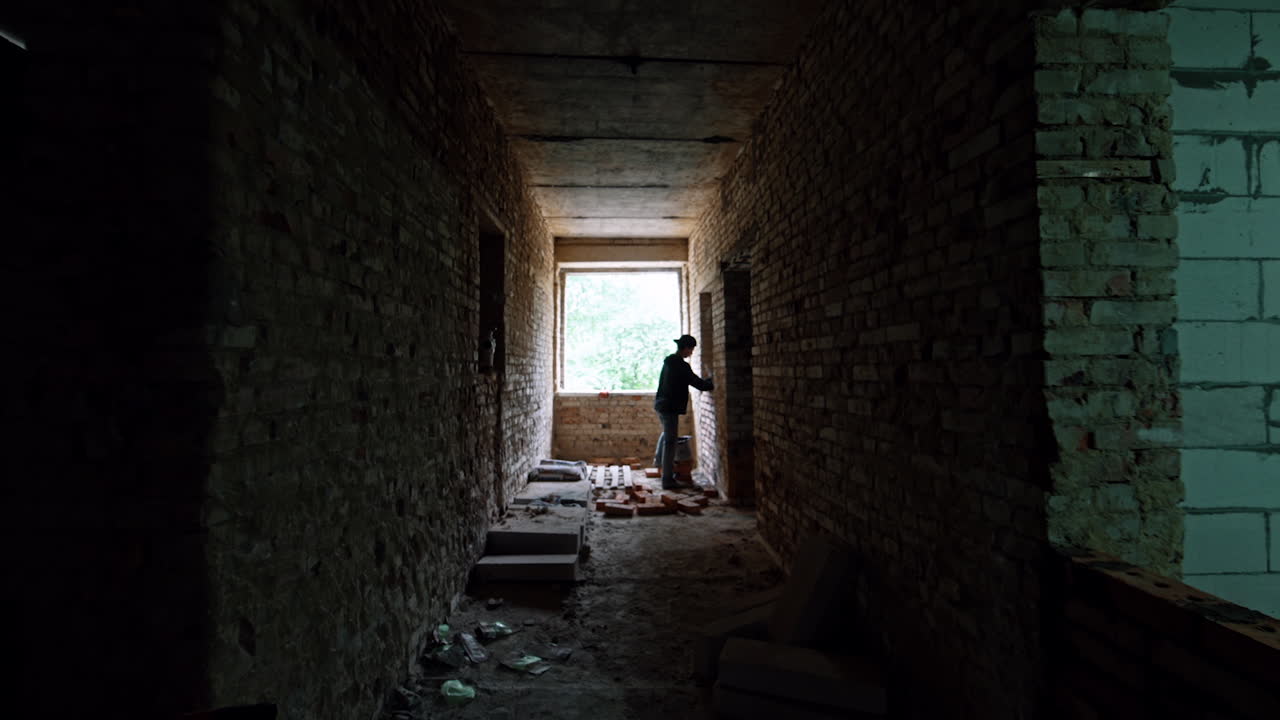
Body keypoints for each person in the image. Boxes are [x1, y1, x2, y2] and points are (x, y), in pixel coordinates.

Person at [653, 334, 713, 490]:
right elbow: (696, 382)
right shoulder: (680, 365)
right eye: (691, 350)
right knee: (670, 442)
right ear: (685, 348)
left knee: (667, 435)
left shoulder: (669, 362)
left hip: (661, 404)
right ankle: (667, 480)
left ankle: (658, 464)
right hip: (669, 407)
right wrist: (710, 383)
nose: (691, 353)